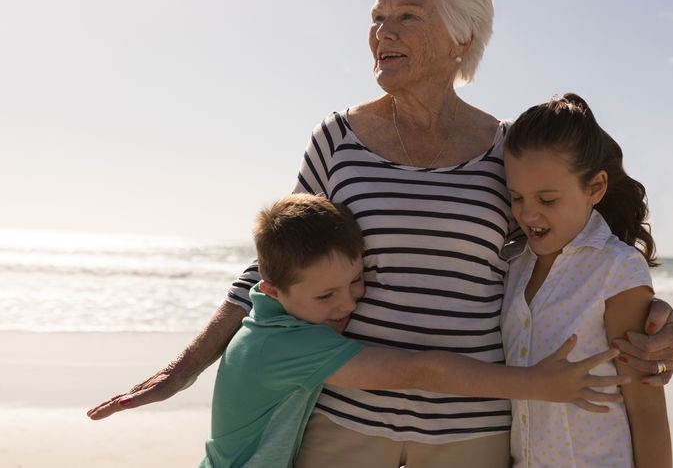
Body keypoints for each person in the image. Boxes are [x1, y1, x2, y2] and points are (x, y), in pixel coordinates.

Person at [88, 0, 673, 467]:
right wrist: (185, 368)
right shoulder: (337, 140)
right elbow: (273, 268)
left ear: (461, 38)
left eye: (407, 17)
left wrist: (657, 320)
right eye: (377, 17)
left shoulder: (506, 150)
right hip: (347, 419)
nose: (383, 32)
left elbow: (569, 256)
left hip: (472, 430)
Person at [202, 193, 628, 467]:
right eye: (326, 295)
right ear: (270, 288)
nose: (348, 304)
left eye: (355, 282)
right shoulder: (285, 345)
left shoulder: (272, 323)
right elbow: (418, 371)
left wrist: (637, 295)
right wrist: (536, 385)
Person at [502, 93, 672, 467]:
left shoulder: (616, 269)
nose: (528, 213)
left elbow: (646, 408)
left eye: (547, 200)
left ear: (595, 188)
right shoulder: (512, 264)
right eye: (516, 197)